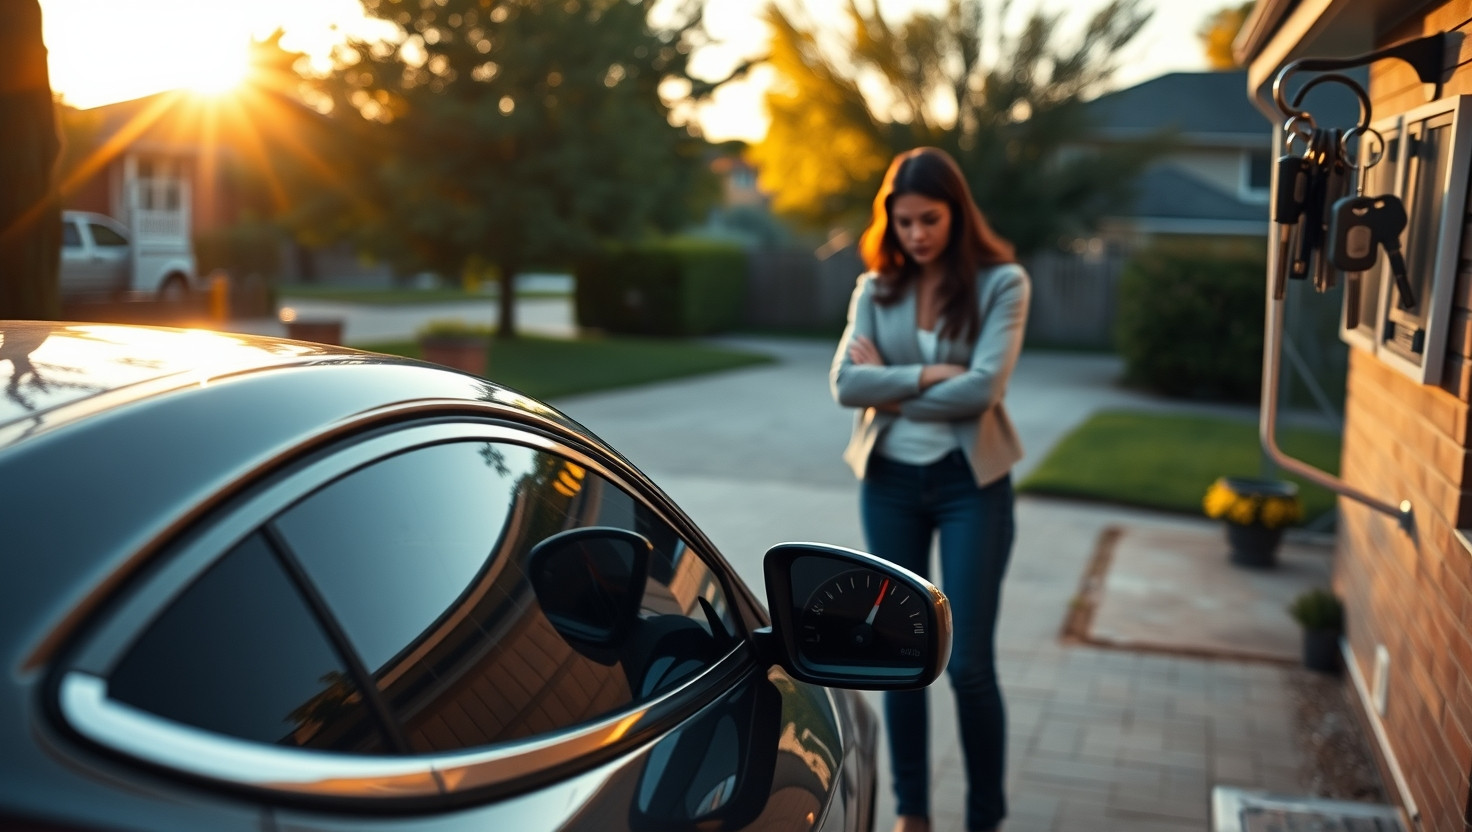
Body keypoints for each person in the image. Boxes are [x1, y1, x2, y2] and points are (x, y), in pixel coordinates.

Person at [829, 146, 1029, 832]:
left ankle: (984, 819)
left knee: (969, 665)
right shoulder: (874, 289)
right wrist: (932, 377)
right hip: (887, 485)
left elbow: (985, 390)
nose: (916, 234)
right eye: (904, 221)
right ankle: (911, 812)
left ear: (957, 213)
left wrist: (893, 381)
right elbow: (844, 385)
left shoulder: (1003, 284)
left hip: (971, 487)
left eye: (929, 219)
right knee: (899, 656)